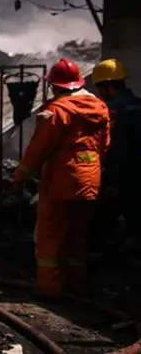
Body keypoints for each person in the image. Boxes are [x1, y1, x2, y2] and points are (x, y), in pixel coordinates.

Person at [13, 58, 110, 297]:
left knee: (50, 235)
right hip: (90, 180)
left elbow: (38, 149)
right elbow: (105, 147)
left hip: (61, 179)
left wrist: (19, 177)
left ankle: (49, 289)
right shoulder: (100, 108)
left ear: (54, 86)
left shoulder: (57, 111)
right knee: (77, 236)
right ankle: (77, 286)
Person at [91, 58, 141, 252]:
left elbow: (115, 147)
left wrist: (111, 181)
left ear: (107, 85)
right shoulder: (138, 105)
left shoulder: (113, 111)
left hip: (123, 177)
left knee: (104, 225)